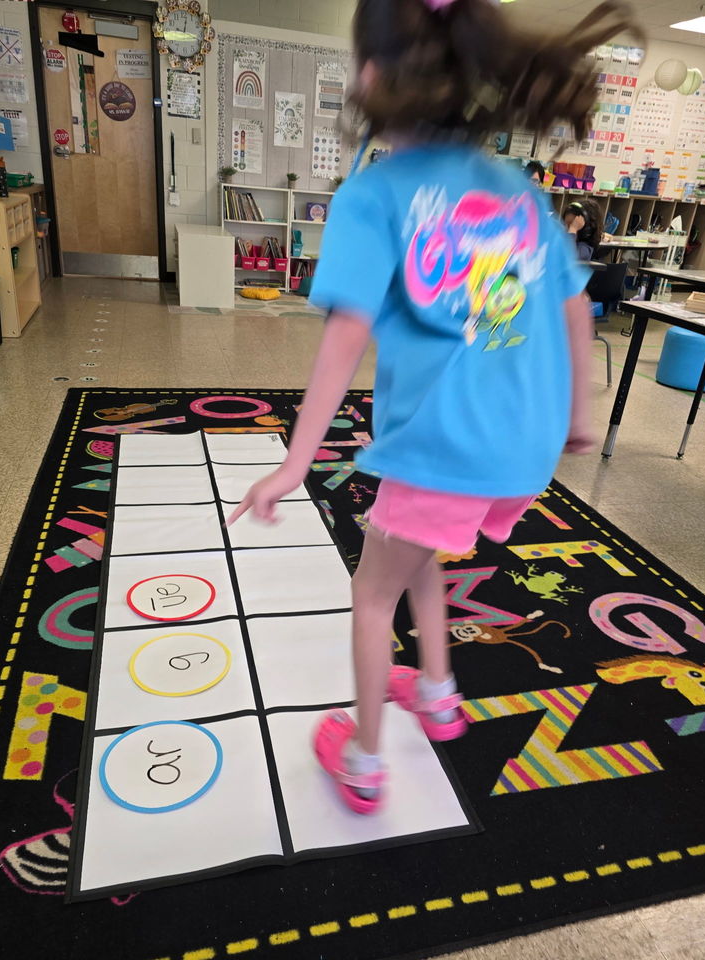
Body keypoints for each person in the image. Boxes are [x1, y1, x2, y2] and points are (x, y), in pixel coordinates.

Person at [230, 0, 641, 814]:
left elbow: (344, 337)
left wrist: (294, 462)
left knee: (372, 589)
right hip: (517, 448)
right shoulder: (515, 188)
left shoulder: (374, 195)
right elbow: (573, 303)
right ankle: (440, 692)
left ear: (373, 77)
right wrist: (578, 416)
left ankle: (365, 757)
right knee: (420, 548)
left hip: (446, 444)